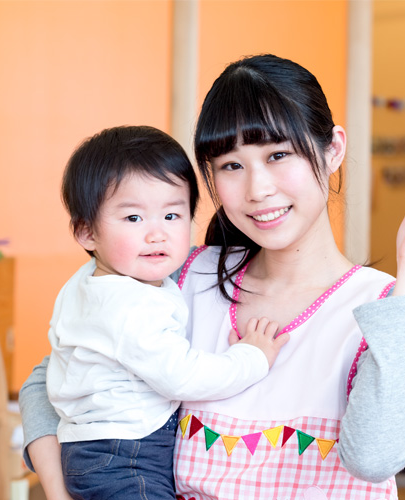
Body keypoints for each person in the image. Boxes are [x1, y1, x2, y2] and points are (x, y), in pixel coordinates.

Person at [20, 54, 405, 500]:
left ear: (333, 150)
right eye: (231, 165)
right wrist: (58, 492)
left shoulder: (384, 310)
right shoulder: (177, 276)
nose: (257, 189)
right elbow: (48, 380)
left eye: (278, 154)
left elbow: (375, 458)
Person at [45, 125, 288, 500]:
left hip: (95, 450)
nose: (156, 234)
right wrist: (251, 357)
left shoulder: (89, 283)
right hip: (125, 457)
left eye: (172, 216)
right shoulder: (129, 306)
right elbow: (182, 376)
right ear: (86, 232)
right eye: (133, 219)